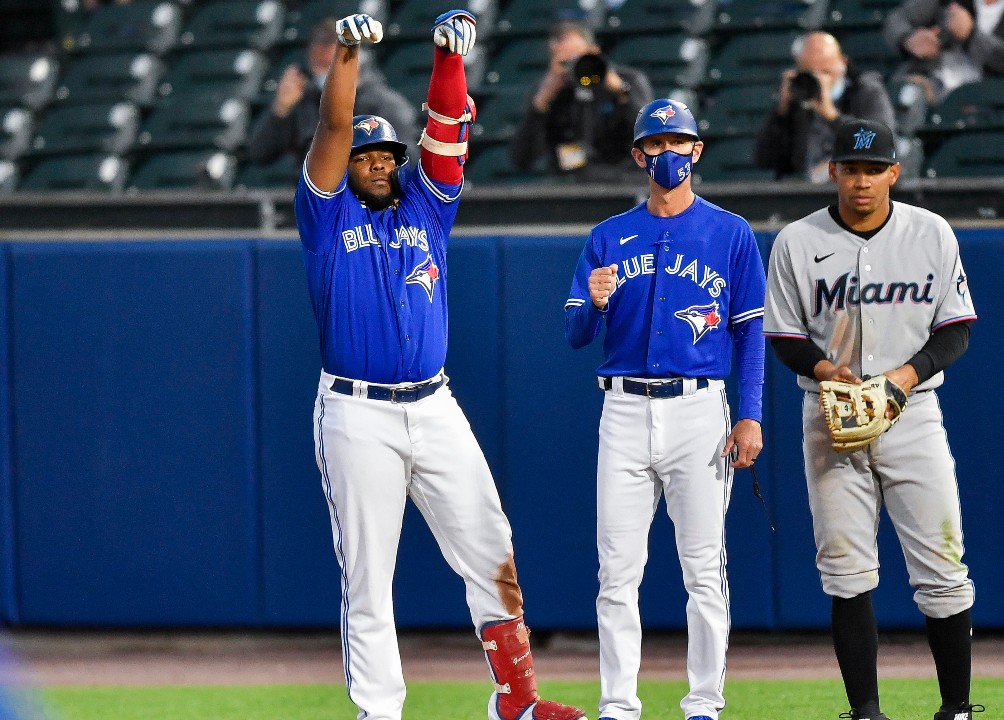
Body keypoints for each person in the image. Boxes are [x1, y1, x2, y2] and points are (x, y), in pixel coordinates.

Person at [294, 12, 585, 720]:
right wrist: (351, 54)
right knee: (368, 578)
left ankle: (516, 700)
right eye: (368, 158)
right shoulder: (327, 217)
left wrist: (447, 59)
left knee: (490, 541)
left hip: (433, 403)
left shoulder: (425, 208)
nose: (380, 164)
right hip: (357, 412)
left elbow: (448, 131)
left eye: (387, 155)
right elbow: (334, 128)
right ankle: (380, 713)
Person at [762, 118, 980, 720]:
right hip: (830, 415)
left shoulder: (930, 233)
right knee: (846, 569)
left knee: (942, 564)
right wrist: (828, 370)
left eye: (874, 169)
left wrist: (902, 380)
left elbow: (956, 327)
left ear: (894, 172)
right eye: (851, 169)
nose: (862, 181)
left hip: (912, 414)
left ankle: (956, 709)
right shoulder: (797, 242)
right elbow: (782, 334)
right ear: (833, 170)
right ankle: (866, 712)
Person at [564, 98, 766, 720]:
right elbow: (574, 334)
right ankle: (618, 706)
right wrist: (594, 303)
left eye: (679, 143)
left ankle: (704, 702)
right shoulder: (608, 236)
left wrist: (750, 414)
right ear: (638, 155)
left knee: (705, 569)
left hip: (700, 411)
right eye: (656, 144)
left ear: (697, 151)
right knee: (616, 575)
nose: (668, 154)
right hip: (623, 410)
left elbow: (750, 335)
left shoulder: (730, 233)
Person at [246, 17, 417, 169]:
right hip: (313, 198)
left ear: (357, 62)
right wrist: (281, 109)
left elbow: (409, 161)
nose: (328, 76)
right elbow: (260, 154)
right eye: (320, 67)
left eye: (332, 65)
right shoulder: (305, 102)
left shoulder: (385, 105)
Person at [510, 21, 654, 182]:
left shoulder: (628, 81)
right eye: (565, 63)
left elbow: (652, 139)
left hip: (623, 181)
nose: (574, 67)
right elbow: (521, 159)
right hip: (569, 188)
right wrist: (541, 104)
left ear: (594, 51)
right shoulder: (546, 92)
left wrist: (622, 92)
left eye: (580, 59)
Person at [755, 31, 895, 182]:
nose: (819, 80)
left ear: (843, 64)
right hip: (804, 193)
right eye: (810, 73)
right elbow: (764, 160)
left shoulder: (866, 91)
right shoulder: (797, 97)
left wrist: (833, 117)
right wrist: (781, 113)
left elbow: (881, 146)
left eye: (826, 72)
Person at [882, 0, 1004, 106]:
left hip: (991, 97)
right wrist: (908, 39)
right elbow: (897, 19)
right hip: (933, 84)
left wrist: (971, 36)